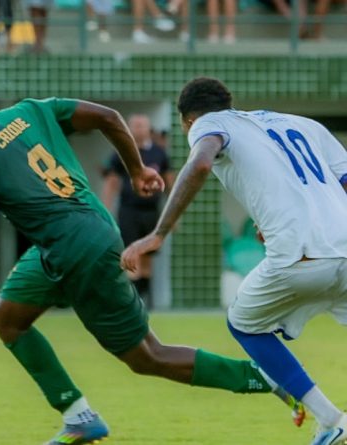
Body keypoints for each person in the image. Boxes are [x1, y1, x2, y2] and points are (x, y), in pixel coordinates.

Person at [0, 77, 303, 444]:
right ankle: (78, 416)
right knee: (5, 318)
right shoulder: (30, 110)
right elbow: (109, 117)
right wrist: (137, 170)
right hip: (81, 234)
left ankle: (267, 377)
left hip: (75, 252)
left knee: (148, 356)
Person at [122, 77, 347, 445]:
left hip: (302, 256)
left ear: (187, 120)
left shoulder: (208, 124)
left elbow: (200, 165)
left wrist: (159, 233)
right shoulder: (301, 123)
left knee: (245, 325)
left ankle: (330, 419)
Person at [101, 114, 173, 308]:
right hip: (128, 211)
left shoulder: (159, 153)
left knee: (148, 256)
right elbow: (111, 182)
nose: (138, 129)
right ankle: (133, 302)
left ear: (148, 128)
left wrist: (173, 214)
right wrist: (105, 209)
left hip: (151, 212)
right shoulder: (122, 152)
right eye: (134, 125)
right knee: (132, 253)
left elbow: (169, 182)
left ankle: (146, 300)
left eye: (141, 125)